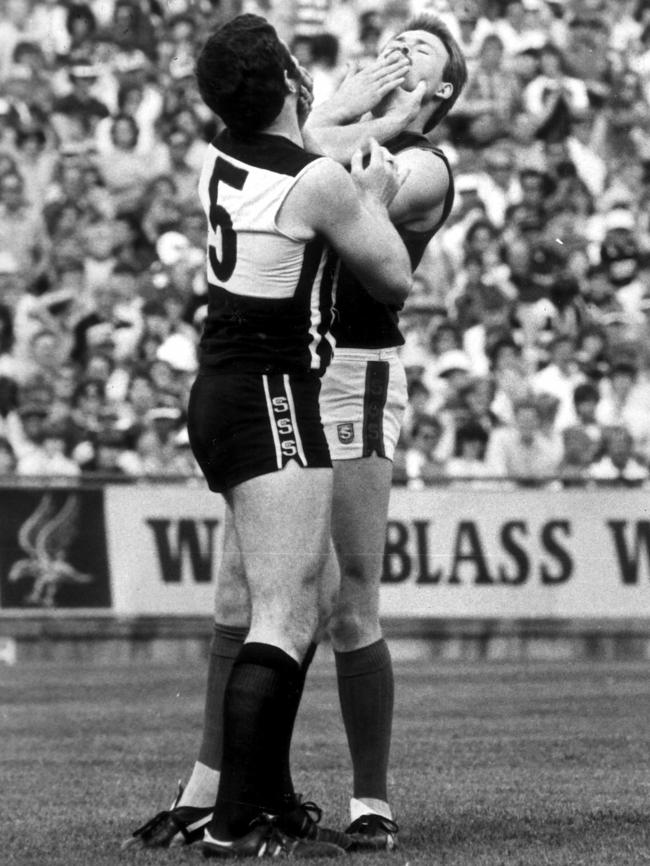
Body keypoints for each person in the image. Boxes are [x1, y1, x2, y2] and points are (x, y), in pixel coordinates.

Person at [125, 11, 466, 855]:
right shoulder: (321, 143)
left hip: (349, 366)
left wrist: (350, 115)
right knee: (245, 597)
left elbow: (332, 175)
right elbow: (295, 157)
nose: (397, 49)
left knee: (345, 594)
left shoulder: (420, 165)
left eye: (419, 52)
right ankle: (217, 791)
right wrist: (349, 112)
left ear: (444, 91)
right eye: (391, 38)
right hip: (289, 367)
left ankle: (367, 799)